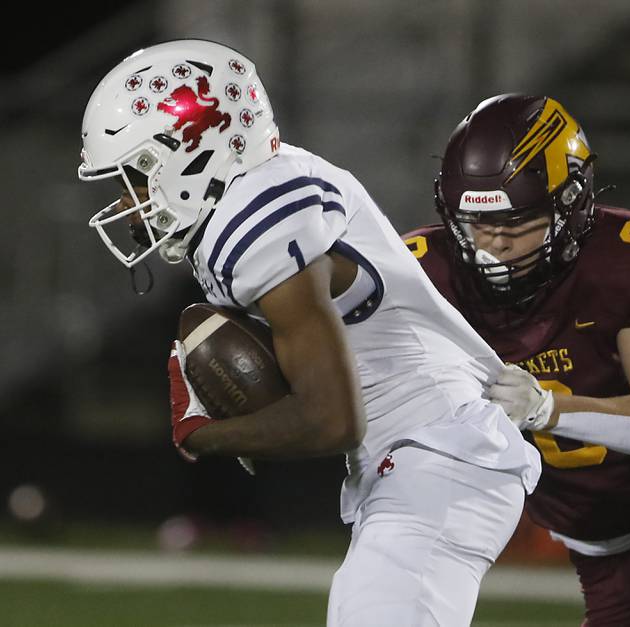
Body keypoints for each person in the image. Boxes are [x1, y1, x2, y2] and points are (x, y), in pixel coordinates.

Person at [77, 41, 541, 626]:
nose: (129, 200)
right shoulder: (261, 189)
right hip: (427, 454)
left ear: (189, 151)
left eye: (138, 176)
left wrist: (204, 435)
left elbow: (331, 419)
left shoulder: (256, 219)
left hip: (440, 451)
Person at [404, 94, 630, 627]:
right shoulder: (429, 276)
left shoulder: (615, 267)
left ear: (570, 201)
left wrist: (547, 409)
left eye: (519, 221)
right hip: (600, 547)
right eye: (478, 224)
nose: (495, 245)